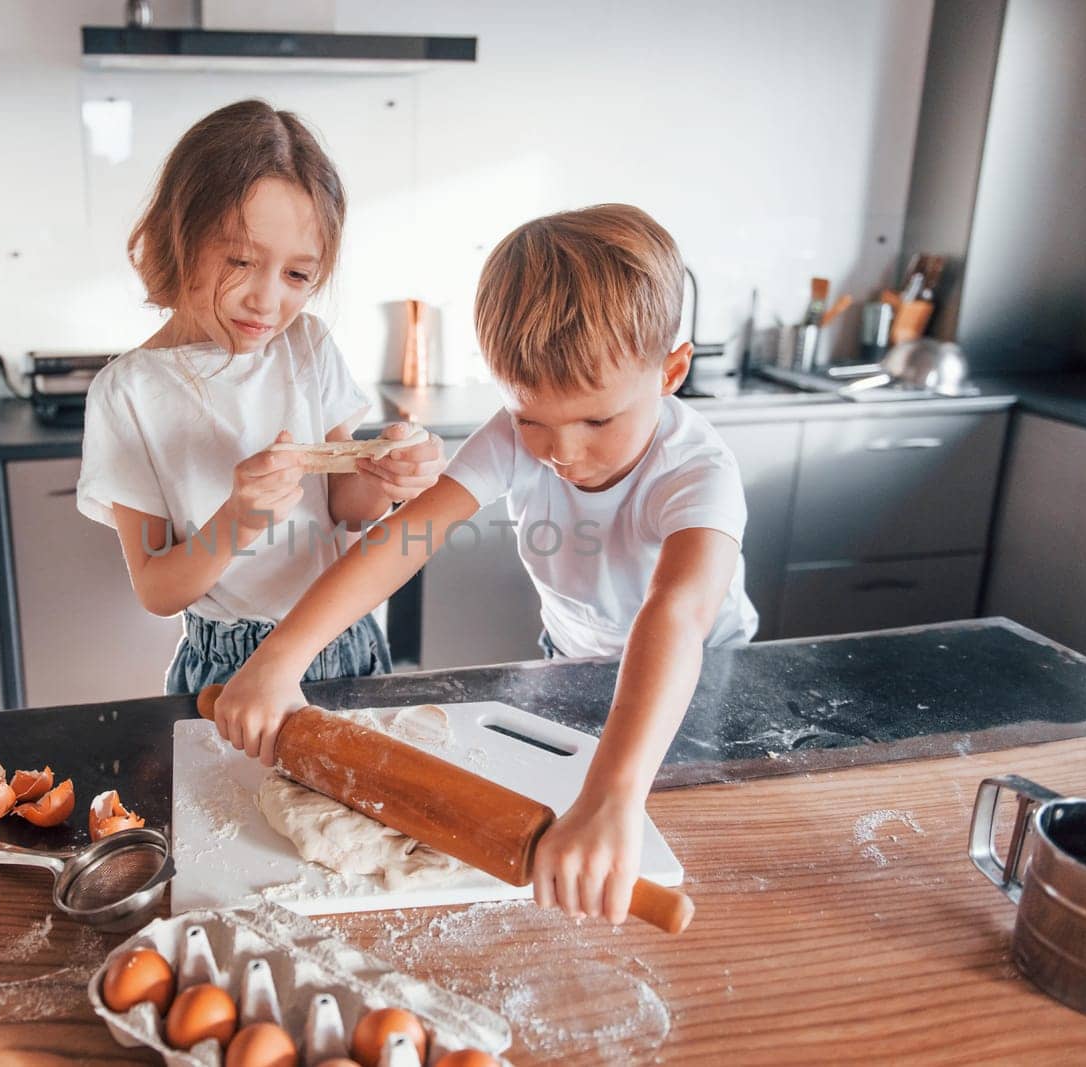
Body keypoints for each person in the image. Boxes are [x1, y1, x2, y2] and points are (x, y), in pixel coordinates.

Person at [212, 203, 757, 924]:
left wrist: (612, 798)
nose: (560, 450)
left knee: (682, 841)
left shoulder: (698, 474)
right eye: (531, 419)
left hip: (702, 675)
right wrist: (280, 659)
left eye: (597, 420)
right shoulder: (508, 439)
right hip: (568, 659)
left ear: (671, 370)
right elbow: (404, 537)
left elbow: (676, 613)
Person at [76, 99, 445, 694]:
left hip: (344, 638)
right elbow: (158, 590)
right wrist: (238, 520)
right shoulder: (130, 393)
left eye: (298, 276)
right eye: (241, 261)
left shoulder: (306, 346)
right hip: (231, 666)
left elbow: (343, 507)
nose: (267, 302)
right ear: (181, 235)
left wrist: (383, 476)